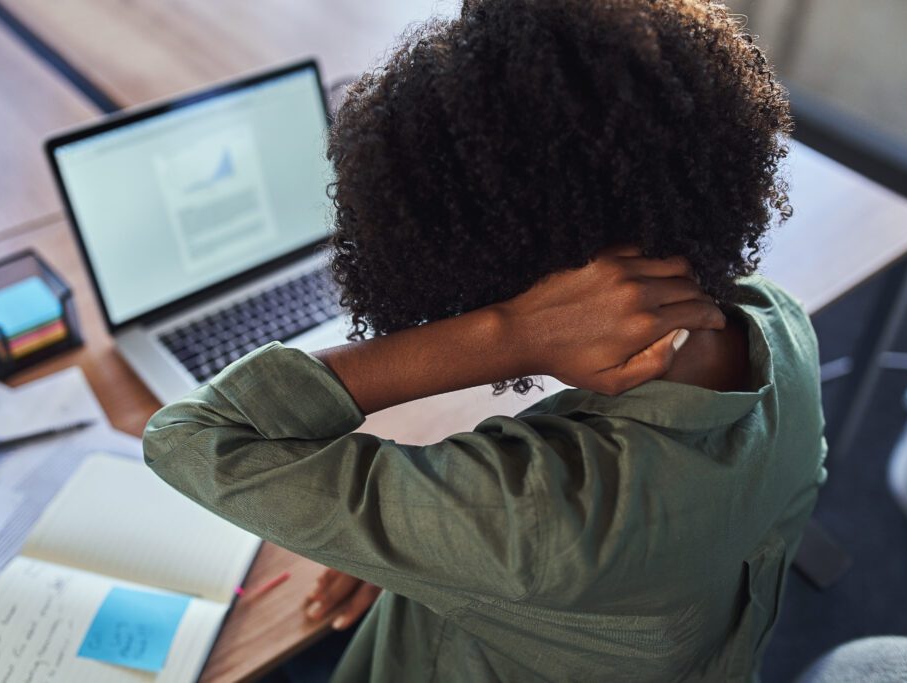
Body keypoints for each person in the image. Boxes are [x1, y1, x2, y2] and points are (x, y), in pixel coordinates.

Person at [143, 0, 827, 680]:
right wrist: (431, 552)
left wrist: (516, 335)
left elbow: (194, 434)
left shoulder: (527, 519)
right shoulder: (778, 325)